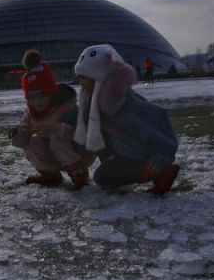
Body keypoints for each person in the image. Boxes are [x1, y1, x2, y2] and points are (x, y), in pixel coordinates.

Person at [74, 44, 179, 194]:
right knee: (96, 134)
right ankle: (116, 165)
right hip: (124, 147)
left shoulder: (124, 104)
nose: (81, 83)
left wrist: (160, 159)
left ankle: (161, 172)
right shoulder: (97, 101)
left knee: (102, 177)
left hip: (140, 153)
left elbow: (157, 119)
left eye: (84, 77)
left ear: (99, 76)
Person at [10, 49, 95, 189]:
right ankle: (50, 174)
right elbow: (21, 142)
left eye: (41, 96)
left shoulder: (67, 107)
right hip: (52, 154)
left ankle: (79, 175)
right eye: (31, 98)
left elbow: (83, 132)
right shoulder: (30, 114)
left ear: (51, 93)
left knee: (57, 139)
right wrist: (21, 133)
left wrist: (56, 128)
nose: (36, 102)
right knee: (32, 143)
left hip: (78, 153)